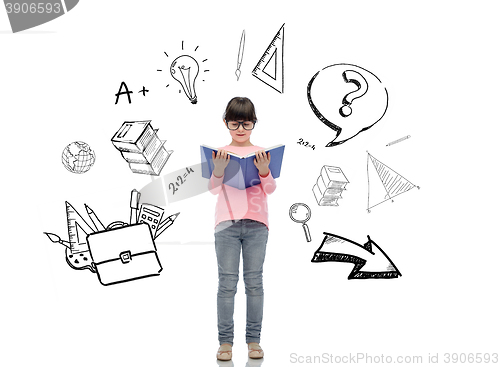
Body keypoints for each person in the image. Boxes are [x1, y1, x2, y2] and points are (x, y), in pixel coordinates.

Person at [208, 97, 277, 361]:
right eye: (235, 122)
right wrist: (218, 170)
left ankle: (253, 341)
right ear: (226, 123)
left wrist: (263, 170)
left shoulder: (262, 153)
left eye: (246, 123)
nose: (240, 128)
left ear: (253, 124)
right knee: (226, 284)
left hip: (257, 225)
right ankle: (225, 343)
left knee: (254, 283)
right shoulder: (220, 154)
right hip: (225, 224)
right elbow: (214, 189)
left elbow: (270, 189)